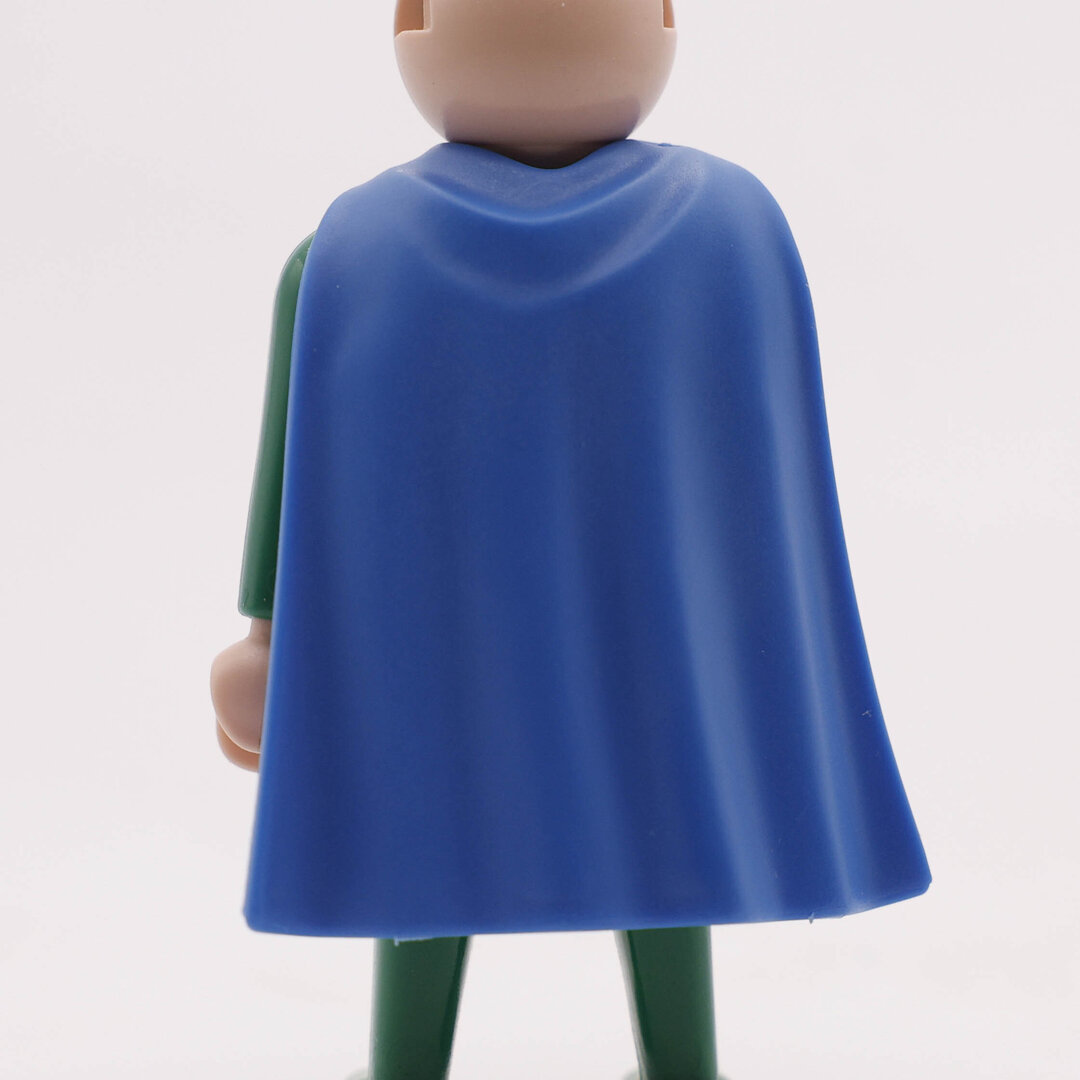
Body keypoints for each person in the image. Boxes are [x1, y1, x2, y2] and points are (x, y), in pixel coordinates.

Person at [212, 3, 930, 1078]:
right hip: (640, 657)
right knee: (659, 837)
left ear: (411, 26)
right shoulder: (727, 230)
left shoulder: (346, 252)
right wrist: (269, 637)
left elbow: (767, 485)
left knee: (434, 848)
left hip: (450, 663)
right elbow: (766, 492)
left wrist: (265, 637)